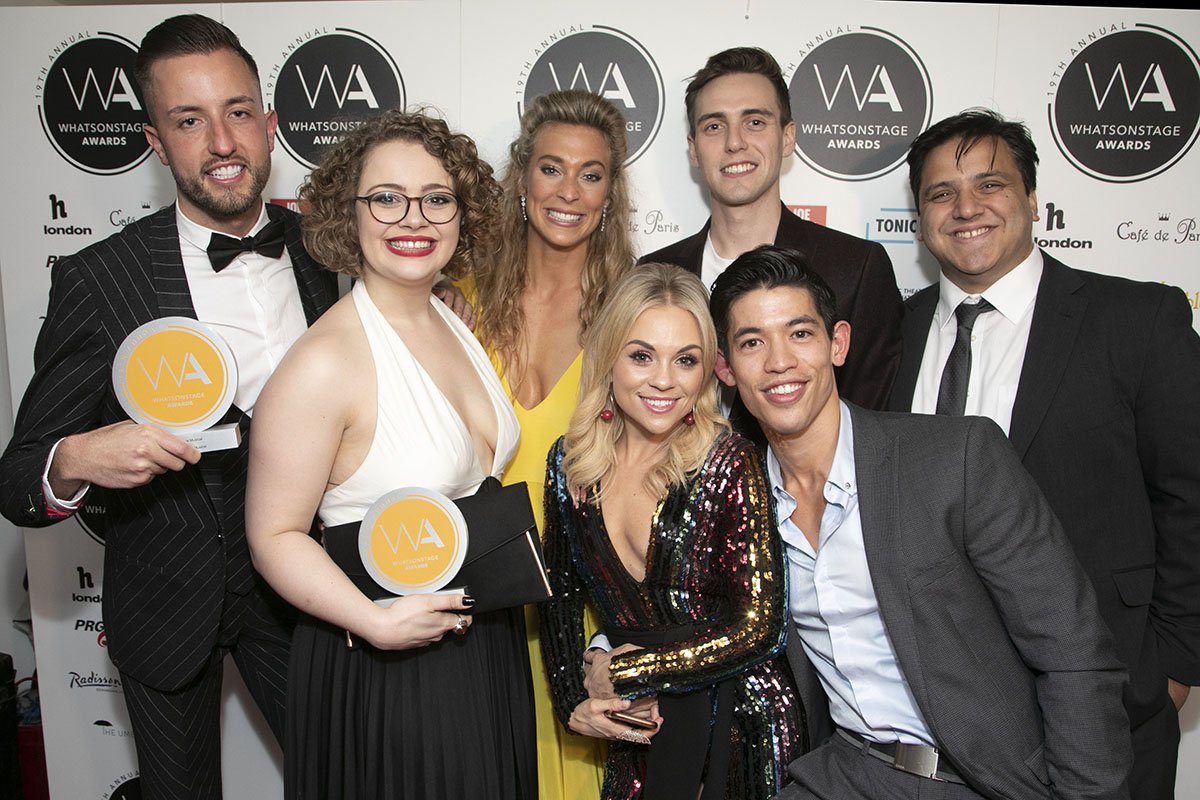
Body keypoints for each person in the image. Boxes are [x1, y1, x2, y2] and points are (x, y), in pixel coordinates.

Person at [0, 15, 338, 798]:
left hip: (302, 594)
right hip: (164, 604)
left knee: (341, 777)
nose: (222, 142)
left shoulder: (332, 252)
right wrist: (79, 458)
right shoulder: (101, 277)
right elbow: (17, 474)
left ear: (270, 123)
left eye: (238, 112)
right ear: (155, 142)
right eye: (190, 120)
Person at [709, 245, 1131, 799]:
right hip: (841, 771)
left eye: (800, 334)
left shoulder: (956, 459)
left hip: (981, 779)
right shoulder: (736, 502)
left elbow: (1075, 658)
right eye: (751, 343)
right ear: (726, 368)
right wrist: (603, 656)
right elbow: (676, 603)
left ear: (838, 344)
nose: (779, 361)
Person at [887, 108, 1200, 799]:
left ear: (1032, 200)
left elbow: (1191, 498)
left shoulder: (1137, 321)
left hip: (1108, 705)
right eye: (941, 193)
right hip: (931, 722)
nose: (966, 208)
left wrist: (1172, 669)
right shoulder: (894, 334)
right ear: (919, 216)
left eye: (990, 185)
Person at [245, 110, 534, 799]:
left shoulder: (449, 318)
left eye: (437, 198)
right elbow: (273, 534)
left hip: (482, 643)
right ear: (351, 213)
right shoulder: (324, 361)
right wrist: (372, 622)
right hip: (390, 663)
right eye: (387, 198)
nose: (415, 218)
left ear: (463, 214)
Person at [539, 264, 803, 800]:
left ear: (708, 369)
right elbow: (559, 594)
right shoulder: (571, 463)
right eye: (641, 356)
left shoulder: (730, 461)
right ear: (608, 356)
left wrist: (629, 671)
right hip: (642, 727)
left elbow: (759, 625)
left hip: (742, 725)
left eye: (686, 360)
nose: (665, 380)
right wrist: (575, 699)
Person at [464, 88, 636, 798]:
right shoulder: (454, 300)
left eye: (591, 174)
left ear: (610, 193)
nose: (569, 190)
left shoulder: (633, 312)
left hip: (581, 612)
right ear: (522, 179)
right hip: (474, 610)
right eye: (551, 168)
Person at [639, 46, 902, 412]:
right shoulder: (653, 272)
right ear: (694, 150)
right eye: (714, 126)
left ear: (788, 137)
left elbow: (870, 427)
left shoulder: (855, 269)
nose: (734, 143)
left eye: (755, 122)